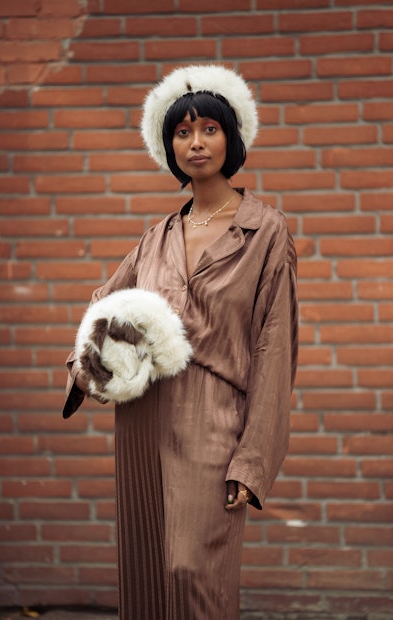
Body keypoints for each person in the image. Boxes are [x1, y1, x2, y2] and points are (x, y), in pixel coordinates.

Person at [63, 64, 298, 620]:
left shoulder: (265, 231)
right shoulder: (155, 238)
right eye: (182, 132)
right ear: (169, 146)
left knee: (192, 571)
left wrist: (254, 460)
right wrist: (86, 366)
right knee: (148, 573)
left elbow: (274, 348)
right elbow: (104, 307)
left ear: (232, 137)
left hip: (215, 419)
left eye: (209, 128)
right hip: (144, 420)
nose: (196, 143)